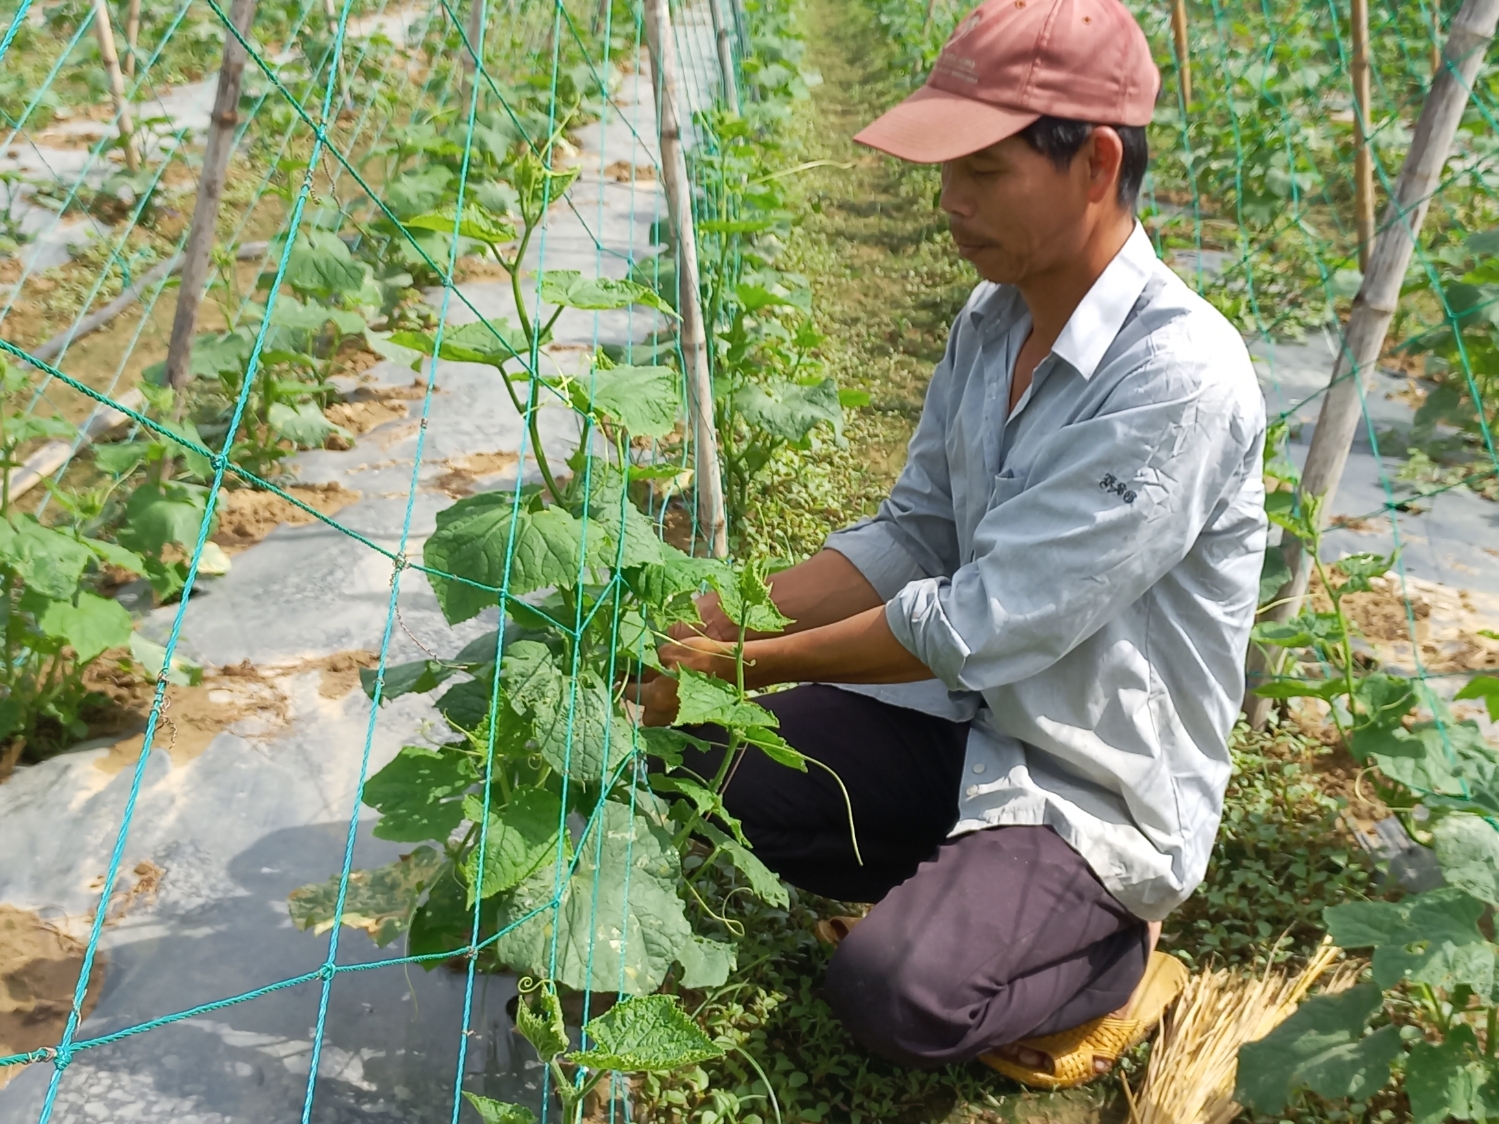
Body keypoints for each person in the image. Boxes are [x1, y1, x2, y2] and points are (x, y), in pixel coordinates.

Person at [637, 0, 1267, 1088]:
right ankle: (976, 892)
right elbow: (915, 530)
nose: (947, 200)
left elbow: (981, 617)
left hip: (1088, 779)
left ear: (1093, 163)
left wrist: (749, 664)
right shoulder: (990, 319)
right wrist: (725, 617)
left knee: (894, 990)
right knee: (698, 756)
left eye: (980, 169)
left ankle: (1113, 955)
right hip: (967, 723)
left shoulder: (1176, 380)